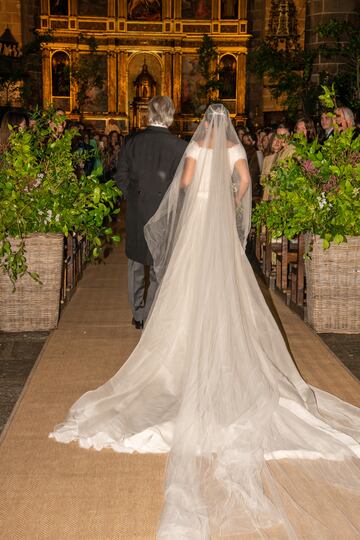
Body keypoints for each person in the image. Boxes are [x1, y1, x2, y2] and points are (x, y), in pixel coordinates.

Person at [50, 104, 360, 540]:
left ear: (204, 124)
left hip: (198, 226)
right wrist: (231, 203)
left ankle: (184, 346)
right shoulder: (234, 147)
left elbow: (187, 184)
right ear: (228, 122)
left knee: (186, 285)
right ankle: (226, 349)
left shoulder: (197, 144)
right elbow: (247, 183)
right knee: (230, 287)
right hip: (220, 227)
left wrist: (199, 206)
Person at [114, 95, 187, 329]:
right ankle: (151, 313)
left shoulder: (133, 142)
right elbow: (183, 185)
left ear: (149, 113)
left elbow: (120, 177)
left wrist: (134, 199)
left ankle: (138, 315)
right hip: (164, 213)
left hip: (137, 211)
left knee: (136, 265)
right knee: (158, 265)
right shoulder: (180, 147)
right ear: (170, 115)